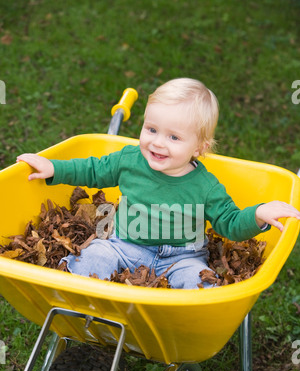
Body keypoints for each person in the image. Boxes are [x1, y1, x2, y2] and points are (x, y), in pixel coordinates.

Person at [16, 78, 300, 289]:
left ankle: (180, 329)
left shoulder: (206, 186)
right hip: (124, 244)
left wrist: (259, 213)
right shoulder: (130, 160)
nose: (157, 143)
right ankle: (80, 306)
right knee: (95, 257)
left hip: (183, 257)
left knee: (197, 284)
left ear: (200, 148)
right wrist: (54, 167)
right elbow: (92, 169)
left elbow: (229, 222)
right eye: (151, 129)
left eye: (174, 137)